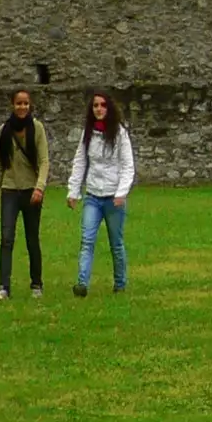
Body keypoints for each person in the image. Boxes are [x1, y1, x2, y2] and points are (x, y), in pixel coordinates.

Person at [66, 90, 135, 296]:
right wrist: (73, 191)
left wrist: (121, 193)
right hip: (93, 196)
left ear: (109, 108)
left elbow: (127, 165)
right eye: (95, 105)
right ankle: (82, 283)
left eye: (103, 105)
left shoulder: (120, 133)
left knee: (116, 243)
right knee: (87, 240)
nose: (99, 109)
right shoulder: (88, 133)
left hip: (113, 197)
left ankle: (120, 284)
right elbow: (80, 162)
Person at [0, 88, 49, 300]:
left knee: (32, 238)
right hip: (10, 190)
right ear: (12, 105)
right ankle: (3, 286)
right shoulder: (5, 130)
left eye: (25, 103)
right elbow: (0, 165)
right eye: (18, 103)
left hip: (31, 190)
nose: (22, 107)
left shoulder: (37, 128)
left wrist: (39, 187)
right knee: (6, 239)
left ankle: (36, 284)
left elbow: (44, 161)